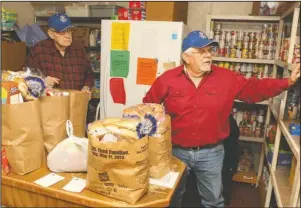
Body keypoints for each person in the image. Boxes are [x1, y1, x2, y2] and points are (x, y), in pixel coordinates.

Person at [143, 30, 300, 207]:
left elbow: (254, 88)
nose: (208, 56)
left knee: (213, 201)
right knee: (172, 197)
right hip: (176, 152)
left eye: (210, 51)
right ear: (186, 57)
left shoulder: (226, 78)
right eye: (201, 52)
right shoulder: (168, 79)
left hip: (211, 153)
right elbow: (148, 106)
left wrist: (287, 82)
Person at [26, 13, 93, 94]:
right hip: (51, 103)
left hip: (75, 102)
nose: (68, 36)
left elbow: (89, 75)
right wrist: (43, 82)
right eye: (62, 32)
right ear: (51, 34)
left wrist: (86, 87)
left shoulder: (79, 50)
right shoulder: (39, 50)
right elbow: (27, 78)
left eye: (69, 31)